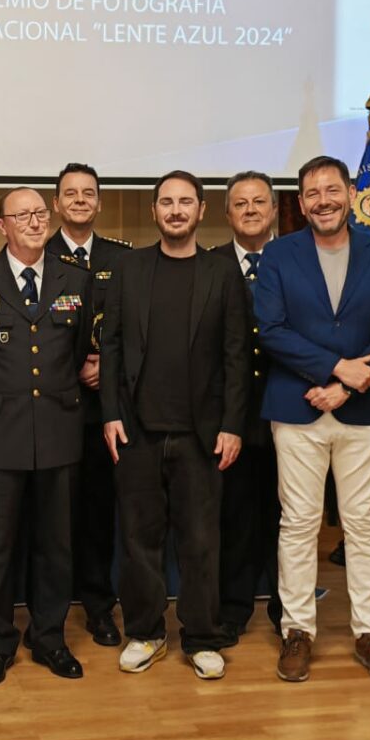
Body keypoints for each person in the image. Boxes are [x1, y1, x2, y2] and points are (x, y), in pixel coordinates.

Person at [255, 154, 370, 685]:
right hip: (296, 408)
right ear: (301, 204)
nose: (323, 200)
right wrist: (334, 368)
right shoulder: (278, 254)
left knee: (364, 524)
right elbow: (271, 329)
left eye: (332, 190)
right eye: (312, 193)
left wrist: (346, 385)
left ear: (350, 195)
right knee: (298, 524)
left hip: (363, 409)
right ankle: (298, 630)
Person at [99, 172, 250, 679]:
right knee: (138, 541)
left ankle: (202, 637)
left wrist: (233, 424)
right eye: (167, 202)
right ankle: (145, 633)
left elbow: (236, 354)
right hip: (136, 431)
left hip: (202, 436)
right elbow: (111, 347)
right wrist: (110, 414)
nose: (176, 210)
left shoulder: (222, 272)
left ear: (202, 210)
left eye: (186, 201)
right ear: (154, 211)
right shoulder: (129, 268)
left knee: (201, 543)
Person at [0, 187, 96, 685]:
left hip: (57, 431)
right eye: (22, 215)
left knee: (56, 546)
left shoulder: (76, 279)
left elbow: (76, 349)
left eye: (38, 213)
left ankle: (49, 638)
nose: (34, 222)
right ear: (2, 225)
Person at [49, 161, 129, 647]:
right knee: (55, 519)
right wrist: (75, 366)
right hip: (53, 407)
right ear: (56, 203)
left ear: (98, 202)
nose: (80, 200)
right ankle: (51, 614)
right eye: (71, 193)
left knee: (99, 515)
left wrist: (108, 369)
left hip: (106, 408)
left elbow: (133, 329)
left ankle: (100, 607)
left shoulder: (123, 258)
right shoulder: (37, 253)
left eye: (88, 193)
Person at [214, 171, 284, 641]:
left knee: (290, 518)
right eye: (241, 203)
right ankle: (233, 609)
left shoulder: (297, 260)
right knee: (234, 516)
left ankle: (288, 612)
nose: (251, 210)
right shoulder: (209, 264)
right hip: (230, 415)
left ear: (275, 209)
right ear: (227, 214)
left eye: (259, 202)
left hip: (288, 408)